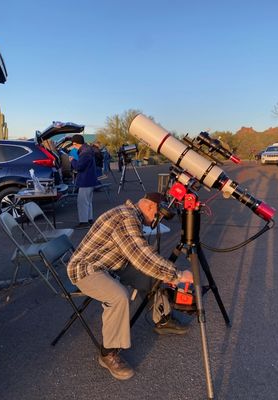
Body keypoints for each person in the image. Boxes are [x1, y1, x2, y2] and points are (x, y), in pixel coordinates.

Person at [67, 192, 194, 380]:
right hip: (86, 269)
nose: (155, 221)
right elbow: (142, 257)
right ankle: (107, 353)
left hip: (111, 264)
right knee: (118, 296)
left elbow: (141, 257)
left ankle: (162, 319)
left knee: (153, 276)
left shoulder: (130, 214)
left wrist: (166, 273)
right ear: (150, 207)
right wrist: (177, 275)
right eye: (157, 216)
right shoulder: (126, 218)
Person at [69, 134, 98, 229]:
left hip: (85, 180)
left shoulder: (84, 152)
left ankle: (84, 222)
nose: (73, 147)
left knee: (82, 202)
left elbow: (79, 167)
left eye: (73, 144)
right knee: (88, 202)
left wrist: (72, 161)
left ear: (75, 143)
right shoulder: (88, 150)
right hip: (90, 180)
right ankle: (89, 219)